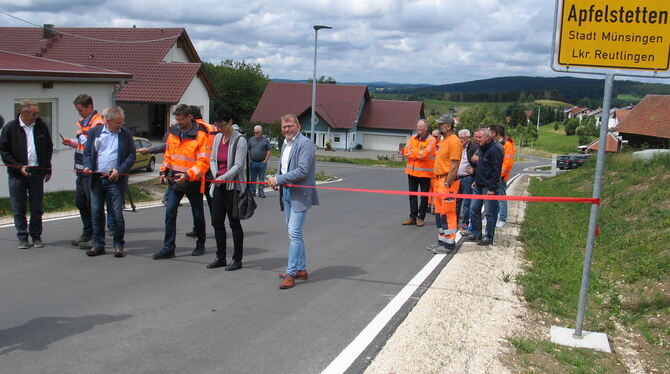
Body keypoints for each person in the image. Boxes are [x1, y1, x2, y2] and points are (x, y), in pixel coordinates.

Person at [267, 114, 319, 290]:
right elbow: (284, 167)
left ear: (298, 126)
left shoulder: (305, 144)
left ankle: (290, 274)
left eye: (290, 126)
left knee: (294, 233)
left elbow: (303, 170)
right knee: (294, 233)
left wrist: (279, 179)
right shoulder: (286, 143)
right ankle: (301, 269)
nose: (287, 129)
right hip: (287, 193)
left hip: (301, 195)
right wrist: (279, 182)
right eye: (284, 127)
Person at [152, 105, 211, 260]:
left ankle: (200, 244)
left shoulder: (200, 135)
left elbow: (203, 162)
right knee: (170, 212)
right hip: (174, 181)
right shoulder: (173, 133)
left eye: (181, 119)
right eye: (176, 119)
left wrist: (188, 174)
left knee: (198, 214)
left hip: (193, 181)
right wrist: (163, 171)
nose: (178, 122)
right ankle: (168, 247)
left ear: (190, 117)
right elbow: (168, 155)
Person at [82, 107, 136, 257]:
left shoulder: (125, 134)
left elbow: (131, 156)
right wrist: (87, 166)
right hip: (97, 179)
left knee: (117, 214)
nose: (120, 126)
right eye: (117, 123)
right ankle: (98, 244)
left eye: (122, 122)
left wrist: (119, 169)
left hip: (115, 180)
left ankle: (119, 244)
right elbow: (87, 153)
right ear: (108, 121)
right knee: (96, 213)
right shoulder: (95, 132)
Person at [0, 99, 53, 249]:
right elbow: (4, 151)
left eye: (37, 113)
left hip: (37, 171)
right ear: (24, 113)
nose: (37, 116)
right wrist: (18, 167)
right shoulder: (10, 128)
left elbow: (48, 147)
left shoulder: (40, 126)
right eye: (34, 113)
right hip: (18, 173)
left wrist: (47, 168)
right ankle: (22, 236)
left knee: (37, 206)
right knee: (18, 207)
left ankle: (36, 236)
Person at [62, 94, 105, 249]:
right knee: (80, 202)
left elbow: (92, 145)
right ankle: (87, 232)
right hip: (80, 169)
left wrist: (79, 136)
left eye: (80, 110)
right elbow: (83, 144)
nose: (79, 113)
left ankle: (96, 236)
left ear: (89, 107)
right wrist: (72, 142)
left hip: (90, 170)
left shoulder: (98, 123)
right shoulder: (84, 122)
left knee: (92, 204)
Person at [206, 109, 247, 271]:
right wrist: (216, 173)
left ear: (230, 122)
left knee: (234, 222)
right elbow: (213, 159)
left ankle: (237, 259)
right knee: (216, 220)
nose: (219, 128)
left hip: (233, 186)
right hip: (218, 185)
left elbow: (238, 166)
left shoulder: (240, 140)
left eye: (222, 125)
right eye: (217, 125)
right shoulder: (217, 138)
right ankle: (220, 256)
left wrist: (223, 178)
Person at [427, 114, 462, 254]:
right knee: (440, 213)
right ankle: (442, 242)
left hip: (447, 181)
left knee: (448, 213)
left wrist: (448, 183)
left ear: (448, 126)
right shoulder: (444, 140)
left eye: (441, 124)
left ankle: (449, 244)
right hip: (439, 180)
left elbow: (455, 165)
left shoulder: (454, 141)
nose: (438, 126)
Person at [467, 127, 503, 246]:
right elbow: (480, 166)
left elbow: (496, 171)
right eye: (477, 137)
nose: (478, 140)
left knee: (489, 212)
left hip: (489, 187)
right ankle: (477, 233)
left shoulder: (495, 150)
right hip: (478, 185)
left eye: (480, 137)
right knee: (473, 209)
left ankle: (489, 237)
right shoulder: (481, 149)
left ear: (488, 137)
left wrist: (492, 189)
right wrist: (476, 180)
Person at [400, 119, 436, 227]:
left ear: (426, 128)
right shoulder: (412, 138)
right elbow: (405, 152)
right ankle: (412, 217)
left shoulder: (431, 140)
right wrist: (417, 153)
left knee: (424, 197)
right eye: (417, 126)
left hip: (425, 174)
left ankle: (421, 218)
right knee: (412, 196)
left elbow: (425, 155)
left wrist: (413, 152)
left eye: (420, 127)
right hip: (411, 172)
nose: (418, 128)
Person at [455, 129, 478, 231]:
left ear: (468, 138)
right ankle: (454, 221)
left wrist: (475, 171)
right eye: (459, 137)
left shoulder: (474, 148)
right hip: (456, 177)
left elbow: (480, 164)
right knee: (456, 201)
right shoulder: (457, 147)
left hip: (467, 178)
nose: (461, 139)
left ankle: (465, 222)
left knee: (466, 203)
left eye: (463, 138)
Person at [496, 126, 515, 228]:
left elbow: (507, 163)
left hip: (501, 177)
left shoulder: (507, 145)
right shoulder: (498, 144)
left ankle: (502, 219)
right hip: (495, 176)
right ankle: (496, 216)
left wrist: (500, 175)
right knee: (494, 198)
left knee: (501, 198)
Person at [247, 125, 271, 198]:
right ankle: (253, 192)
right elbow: (248, 150)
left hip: (262, 162)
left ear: (261, 132)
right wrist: (249, 159)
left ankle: (261, 192)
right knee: (253, 178)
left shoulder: (265, 140)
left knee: (261, 178)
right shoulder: (251, 139)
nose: (256, 134)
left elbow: (269, 151)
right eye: (255, 132)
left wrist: (265, 160)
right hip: (253, 162)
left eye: (257, 132)